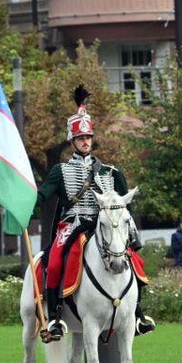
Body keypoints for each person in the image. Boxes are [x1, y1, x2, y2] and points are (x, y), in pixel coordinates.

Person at [35, 85, 155, 340]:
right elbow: (42, 196)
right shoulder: (61, 171)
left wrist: (130, 231)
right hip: (73, 224)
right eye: (81, 138)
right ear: (72, 142)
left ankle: (138, 315)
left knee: (134, 262)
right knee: (55, 261)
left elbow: (125, 208)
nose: (86, 141)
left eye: (88, 137)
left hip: (107, 226)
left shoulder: (111, 172)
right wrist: (22, 201)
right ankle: (56, 316)